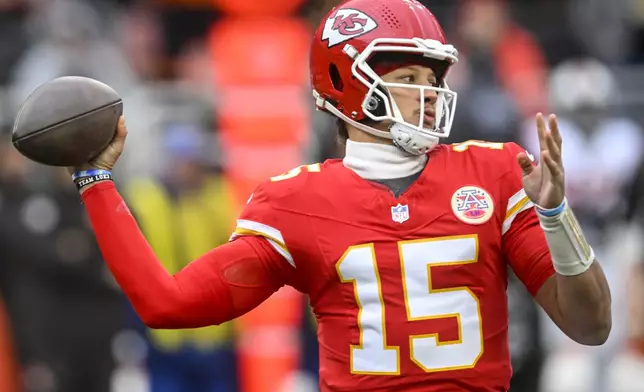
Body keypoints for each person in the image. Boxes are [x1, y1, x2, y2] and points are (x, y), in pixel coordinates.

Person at [66, 0, 612, 391]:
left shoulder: (494, 171)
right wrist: (95, 181)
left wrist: (555, 214)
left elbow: (591, 326)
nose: (430, 95)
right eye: (410, 76)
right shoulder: (297, 201)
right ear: (346, 80)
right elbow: (167, 304)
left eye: (434, 77)